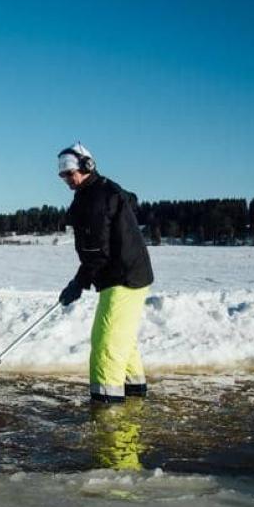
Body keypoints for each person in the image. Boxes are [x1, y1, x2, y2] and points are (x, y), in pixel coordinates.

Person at [57, 142, 154, 403]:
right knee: (122, 340)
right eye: (62, 174)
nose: (66, 178)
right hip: (124, 274)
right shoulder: (98, 191)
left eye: (69, 172)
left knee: (106, 345)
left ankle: (107, 413)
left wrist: (78, 282)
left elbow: (96, 249)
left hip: (124, 277)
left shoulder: (97, 198)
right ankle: (135, 396)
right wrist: (81, 280)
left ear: (87, 166)